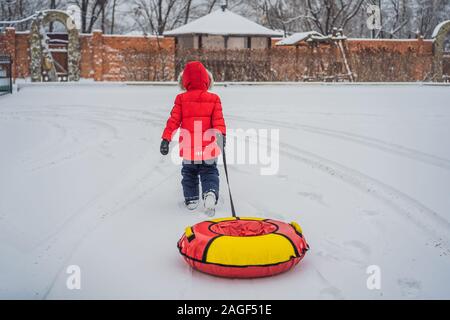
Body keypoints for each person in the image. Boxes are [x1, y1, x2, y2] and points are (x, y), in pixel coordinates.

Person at [160, 61, 226, 213]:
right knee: (209, 171)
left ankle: (191, 198)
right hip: (209, 149)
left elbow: (173, 121)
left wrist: (166, 139)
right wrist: (222, 136)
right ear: (207, 80)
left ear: (184, 82)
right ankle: (210, 192)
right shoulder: (214, 98)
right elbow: (219, 121)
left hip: (189, 149)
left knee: (189, 173)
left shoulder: (181, 99)